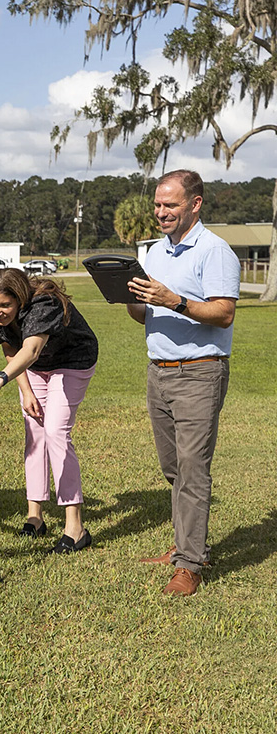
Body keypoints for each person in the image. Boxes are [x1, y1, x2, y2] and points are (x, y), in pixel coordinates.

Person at [127, 169, 238, 597]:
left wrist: (173, 300)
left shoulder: (215, 251)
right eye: (157, 205)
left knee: (192, 469)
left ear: (195, 203)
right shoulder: (155, 252)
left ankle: (190, 563)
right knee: (173, 468)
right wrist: (131, 298)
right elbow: (144, 313)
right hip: (158, 371)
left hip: (199, 372)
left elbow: (223, 313)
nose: (161, 212)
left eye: (170, 205)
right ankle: (186, 545)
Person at [0, 269, 98, 554]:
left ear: (20, 300)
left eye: (5, 305)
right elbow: (11, 347)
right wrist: (26, 391)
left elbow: (32, 349)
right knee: (34, 433)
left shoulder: (44, 304)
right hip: (35, 368)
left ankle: (76, 528)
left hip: (71, 360)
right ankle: (35, 517)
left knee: (56, 432)